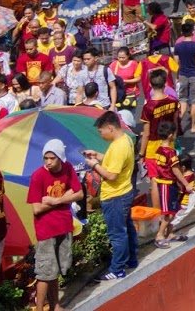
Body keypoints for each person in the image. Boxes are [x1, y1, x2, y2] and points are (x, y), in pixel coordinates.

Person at [28, 138, 83, 311]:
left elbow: (79, 193)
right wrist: (66, 197)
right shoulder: (38, 176)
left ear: (60, 158)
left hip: (64, 226)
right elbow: (36, 208)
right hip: (46, 230)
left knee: (56, 269)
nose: (48, 162)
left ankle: (55, 305)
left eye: (52, 158)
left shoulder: (68, 169)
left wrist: (53, 200)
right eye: (46, 158)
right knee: (45, 273)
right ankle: (39, 308)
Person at [82, 111, 137, 281]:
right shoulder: (124, 140)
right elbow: (114, 161)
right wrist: (98, 156)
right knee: (127, 228)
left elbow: (111, 175)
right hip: (124, 191)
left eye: (101, 131)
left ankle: (117, 269)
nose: (100, 134)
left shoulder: (119, 146)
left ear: (110, 128)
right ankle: (131, 260)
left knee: (117, 233)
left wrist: (94, 164)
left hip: (115, 196)